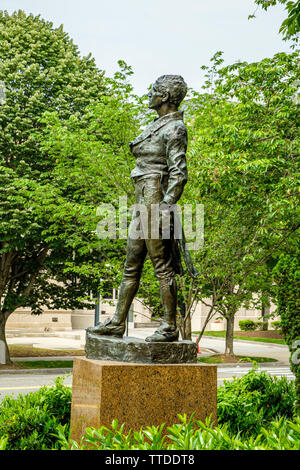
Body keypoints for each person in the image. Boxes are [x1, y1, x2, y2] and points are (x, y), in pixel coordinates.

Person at [89, 75, 188, 342]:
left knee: (161, 266)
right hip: (142, 199)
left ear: (165, 96)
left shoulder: (174, 128)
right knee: (131, 265)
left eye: (155, 90)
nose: (150, 93)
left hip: (155, 200)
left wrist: (166, 207)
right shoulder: (158, 125)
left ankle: (169, 326)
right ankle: (118, 323)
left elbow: (179, 173)